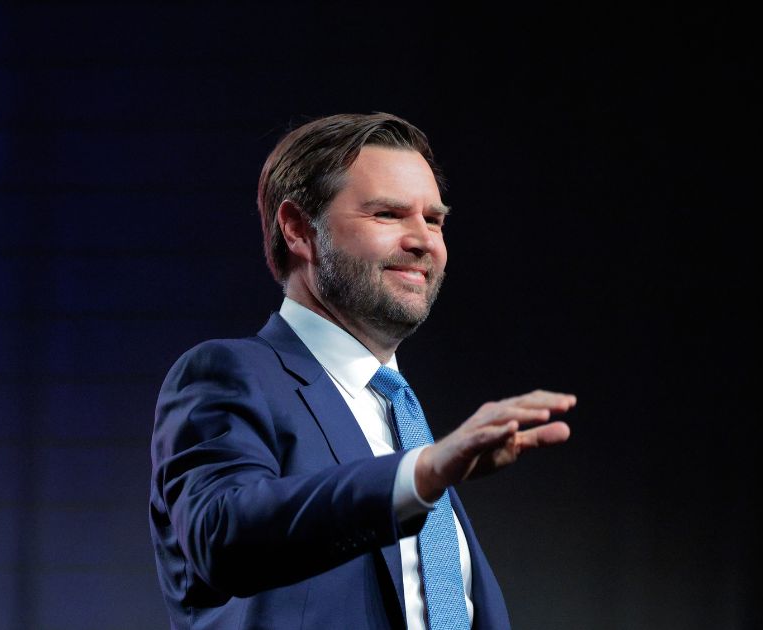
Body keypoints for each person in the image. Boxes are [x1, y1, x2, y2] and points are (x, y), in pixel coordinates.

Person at [148, 112, 576, 630]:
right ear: (299, 229)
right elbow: (224, 535)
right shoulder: (231, 374)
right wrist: (419, 474)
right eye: (389, 215)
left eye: (435, 220)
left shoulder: (399, 413)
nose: (424, 242)